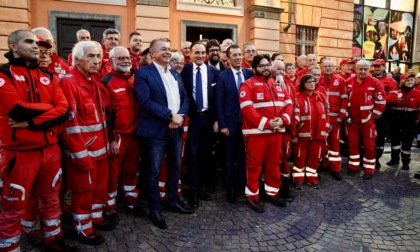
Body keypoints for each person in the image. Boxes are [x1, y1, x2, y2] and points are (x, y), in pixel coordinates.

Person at [0, 30, 73, 251]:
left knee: (52, 199)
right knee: (13, 206)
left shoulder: (48, 76)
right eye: (29, 42)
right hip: (19, 153)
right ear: (13, 45)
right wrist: (48, 108)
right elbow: (16, 110)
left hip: (50, 150)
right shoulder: (4, 74)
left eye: (38, 44)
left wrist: (32, 122)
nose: (36, 47)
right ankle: (10, 246)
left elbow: (64, 110)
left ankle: (54, 238)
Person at [135, 38, 193, 230]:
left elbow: (184, 98)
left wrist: (180, 117)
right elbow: (145, 101)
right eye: (163, 50)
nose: (168, 52)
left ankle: (172, 201)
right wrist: (169, 116)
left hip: (176, 129)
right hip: (155, 132)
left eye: (169, 49)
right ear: (152, 54)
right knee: (153, 171)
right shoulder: (143, 74)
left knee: (175, 167)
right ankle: (155, 209)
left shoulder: (175, 75)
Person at [60, 41, 113, 245]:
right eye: (91, 56)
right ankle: (83, 228)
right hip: (83, 153)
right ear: (77, 58)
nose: (96, 61)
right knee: (83, 192)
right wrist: (80, 155)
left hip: (100, 151)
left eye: (98, 56)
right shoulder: (69, 83)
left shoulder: (93, 81)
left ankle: (96, 217)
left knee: (98, 189)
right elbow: (70, 125)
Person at [239, 54, 293, 213]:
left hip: (276, 134)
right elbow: (247, 110)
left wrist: (284, 120)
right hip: (256, 134)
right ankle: (252, 196)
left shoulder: (278, 84)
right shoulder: (247, 85)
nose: (265, 68)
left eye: (267, 65)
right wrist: (267, 123)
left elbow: (289, 104)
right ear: (254, 68)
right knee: (253, 165)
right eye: (261, 66)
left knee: (273, 164)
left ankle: (272, 192)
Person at [100, 46, 144, 224]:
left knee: (131, 170)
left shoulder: (136, 79)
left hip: (135, 135)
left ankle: (130, 198)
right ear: (111, 62)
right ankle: (109, 206)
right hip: (118, 136)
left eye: (127, 58)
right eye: (120, 59)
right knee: (113, 173)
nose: (126, 61)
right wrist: (111, 139)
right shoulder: (106, 82)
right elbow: (104, 114)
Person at [181, 41, 219, 209]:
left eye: (202, 52)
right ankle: (193, 191)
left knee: (205, 156)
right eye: (196, 52)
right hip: (192, 119)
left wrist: (217, 120)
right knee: (193, 155)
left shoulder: (214, 72)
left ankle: (201, 187)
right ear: (190, 54)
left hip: (208, 119)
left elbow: (218, 98)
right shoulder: (184, 70)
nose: (199, 55)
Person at [216, 44, 253, 204]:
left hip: (247, 125)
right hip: (230, 125)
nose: (238, 57)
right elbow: (219, 102)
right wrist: (223, 124)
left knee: (243, 158)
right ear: (228, 58)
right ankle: (230, 189)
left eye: (240, 55)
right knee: (229, 159)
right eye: (235, 55)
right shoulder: (222, 76)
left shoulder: (249, 74)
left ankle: (242, 186)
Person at [346, 60, 386, 180]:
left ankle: (369, 168)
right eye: (360, 69)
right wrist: (346, 115)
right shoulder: (349, 82)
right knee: (352, 143)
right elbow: (344, 99)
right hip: (352, 119)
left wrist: (373, 116)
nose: (362, 71)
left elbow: (381, 101)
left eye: (365, 69)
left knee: (369, 145)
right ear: (356, 69)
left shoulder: (375, 82)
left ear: (369, 70)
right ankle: (353, 166)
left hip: (367, 120)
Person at [292, 75, 329, 189]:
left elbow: (326, 113)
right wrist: (294, 134)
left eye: (313, 81)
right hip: (302, 134)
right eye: (309, 82)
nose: (312, 83)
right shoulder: (297, 97)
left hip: (318, 134)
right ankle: (298, 179)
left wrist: (326, 128)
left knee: (314, 158)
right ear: (303, 84)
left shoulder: (321, 96)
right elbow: (294, 117)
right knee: (300, 157)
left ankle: (312, 179)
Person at [318, 60, 348, 180]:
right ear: (321, 67)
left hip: (335, 118)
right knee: (322, 142)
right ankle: (325, 164)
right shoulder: (317, 80)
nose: (328, 68)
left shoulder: (340, 81)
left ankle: (335, 168)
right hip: (322, 118)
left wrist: (341, 115)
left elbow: (345, 100)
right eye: (325, 66)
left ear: (334, 67)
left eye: (330, 66)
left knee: (334, 143)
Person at [271, 60, 296, 201]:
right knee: (274, 160)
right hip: (272, 129)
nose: (281, 72)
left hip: (286, 129)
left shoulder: (289, 85)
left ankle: (284, 187)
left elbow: (293, 106)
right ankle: (274, 188)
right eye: (278, 69)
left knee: (284, 159)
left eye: (283, 69)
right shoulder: (267, 83)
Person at [386, 73, 420, 170]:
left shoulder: (418, 94)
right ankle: (394, 159)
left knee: (407, 143)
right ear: (402, 82)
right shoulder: (395, 93)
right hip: (395, 122)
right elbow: (386, 103)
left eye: (412, 80)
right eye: (408, 80)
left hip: (410, 122)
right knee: (395, 141)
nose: (410, 82)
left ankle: (406, 162)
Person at [370, 59, 397, 168]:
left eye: (379, 66)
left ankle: (376, 158)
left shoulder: (391, 81)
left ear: (384, 67)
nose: (376, 68)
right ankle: (365, 158)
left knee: (380, 136)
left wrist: (380, 101)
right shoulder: (368, 79)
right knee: (367, 135)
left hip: (383, 112)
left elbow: (394, 96)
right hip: (369, 111)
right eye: (375, 66)